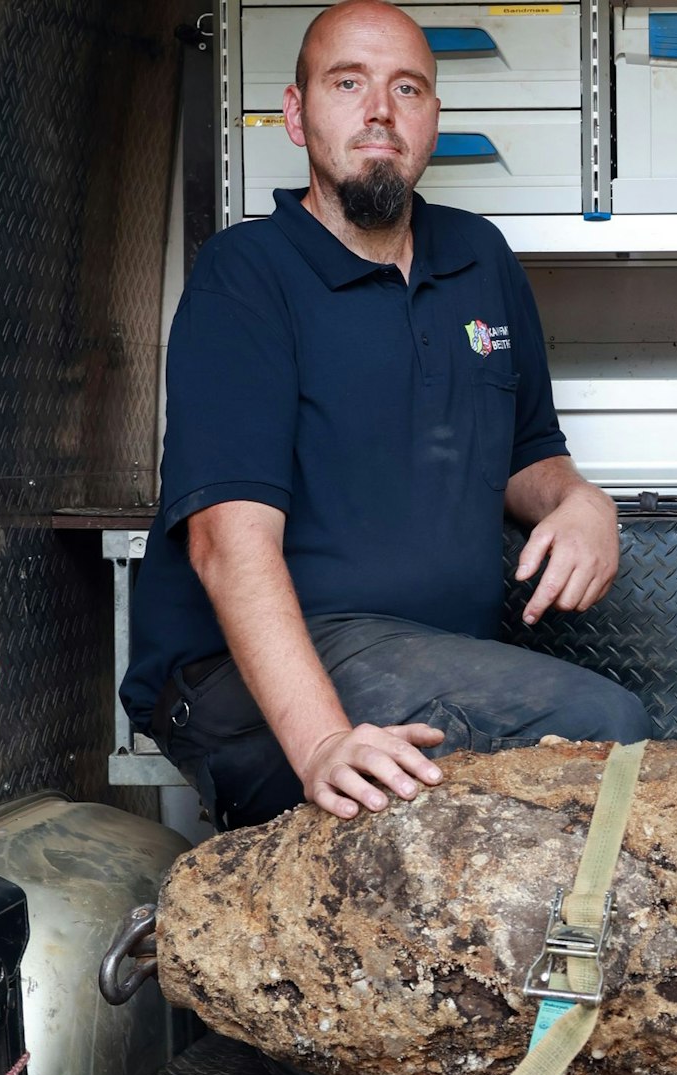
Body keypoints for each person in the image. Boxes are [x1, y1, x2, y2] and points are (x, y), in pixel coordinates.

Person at [121, 0, 649, 832]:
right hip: (246, 685)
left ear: (433, 118)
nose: (380, 110)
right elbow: (227, 543)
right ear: (296, 116)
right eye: (348, 83)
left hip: (428, 660)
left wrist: (579, 500)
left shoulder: (480, 260)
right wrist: (325, 740)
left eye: (407, 88)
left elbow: (527, 454)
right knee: (602, 729)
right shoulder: (246, 277)